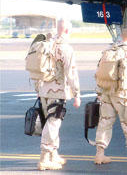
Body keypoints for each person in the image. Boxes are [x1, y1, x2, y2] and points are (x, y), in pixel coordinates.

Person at [94, 26, 127, 164]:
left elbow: (99, 72)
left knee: (105, 122)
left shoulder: (109, 50)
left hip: (106, 92)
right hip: (122, 93)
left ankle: (100, 154)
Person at [36, 19, 81, 171]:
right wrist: (77, 94)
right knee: (53, 124)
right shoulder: (66, 48)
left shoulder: (46, 44)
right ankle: (44, 158)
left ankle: (53, 154)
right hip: (58, 92)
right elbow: (71, 73)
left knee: (51, 123)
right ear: (67, 31)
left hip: (43, 91)